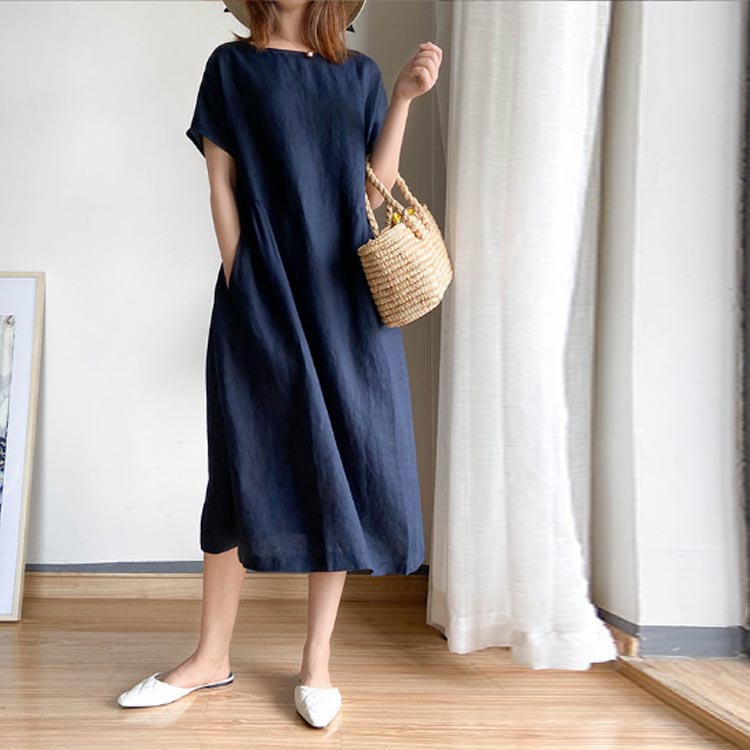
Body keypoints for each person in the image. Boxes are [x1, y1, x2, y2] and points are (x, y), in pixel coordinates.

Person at [116, 0, 442, 729]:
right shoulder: (232, 67)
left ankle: (316, 663)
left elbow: (370, 191)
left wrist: (401, 100)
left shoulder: (359, 74)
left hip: (346, 301)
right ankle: (210, 656)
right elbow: (221, 185)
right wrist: (243, 279)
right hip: (261, 291)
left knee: (343, 465)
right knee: (240, 465)